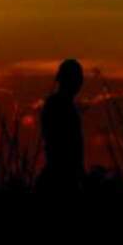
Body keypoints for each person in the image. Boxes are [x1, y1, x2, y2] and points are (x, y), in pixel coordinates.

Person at [37, 59, 86, 195]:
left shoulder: (57, 104)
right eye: (77, 78)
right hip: (62, 175)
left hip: (62, 172)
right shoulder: (59, 105)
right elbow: (64, 144)